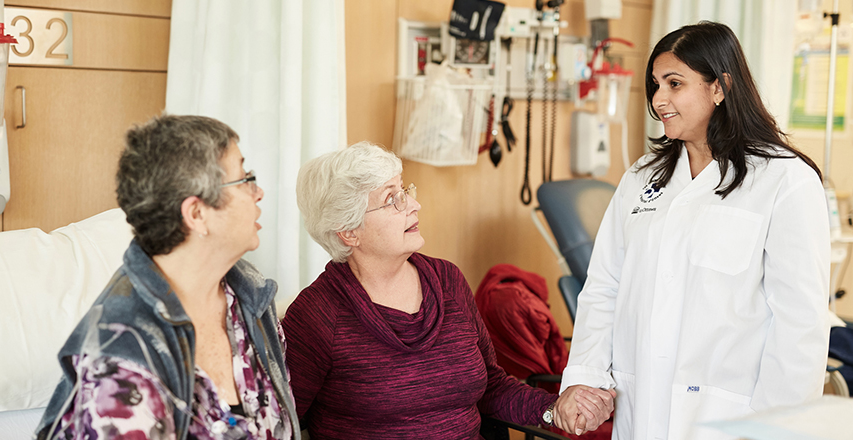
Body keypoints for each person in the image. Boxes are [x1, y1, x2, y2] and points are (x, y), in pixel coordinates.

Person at [555, 21, 831, 439]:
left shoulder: (784, 180)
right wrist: (584, 377)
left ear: (719, 87)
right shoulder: (642, 178)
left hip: (733, 418)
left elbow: (799, 323)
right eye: (656, 84)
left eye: (674, 83)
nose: (659, 99)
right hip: (642, 409)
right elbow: (604, 286)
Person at [283, 142, 614, 439]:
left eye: (405, 190)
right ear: (348, 233)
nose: (413, 205)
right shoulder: (317, 316)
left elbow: (491, 387)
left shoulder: (447, 281)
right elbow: (282, 423)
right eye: (391, 199)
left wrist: (554, 410)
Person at [35, 115, 301, 440]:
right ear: (197, 213)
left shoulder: (252, 300)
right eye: (245, 179)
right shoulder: (118, 363)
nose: (258, 192)